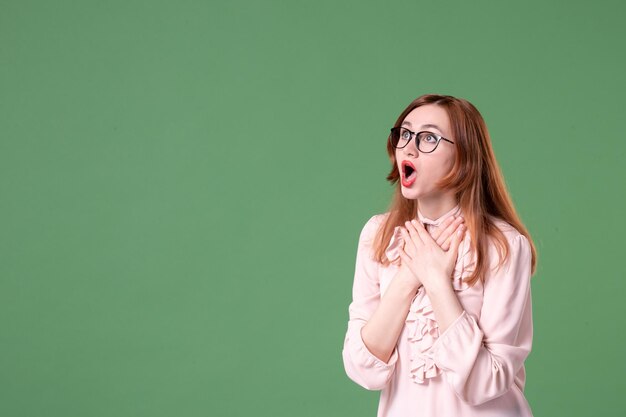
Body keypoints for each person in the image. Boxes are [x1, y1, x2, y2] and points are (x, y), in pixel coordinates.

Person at [342, 94, 537, 417]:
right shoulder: (378, 237)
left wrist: (436, 282)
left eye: (428, 137)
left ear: (464, 157)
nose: (408, 147)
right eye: (404, 134)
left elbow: (484, 382)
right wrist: (409, 277)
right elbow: (363, 369)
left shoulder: (503, 246)